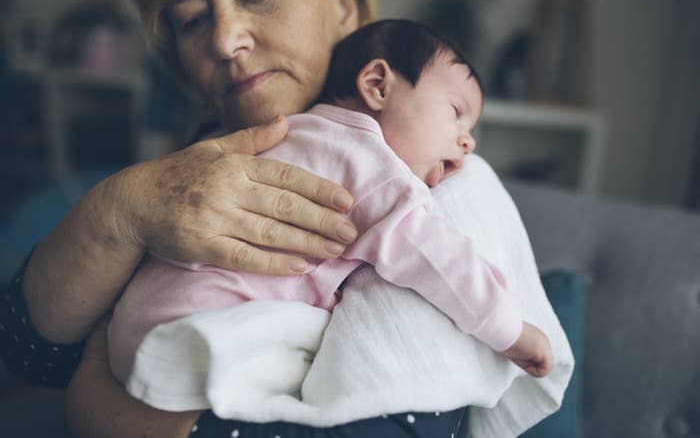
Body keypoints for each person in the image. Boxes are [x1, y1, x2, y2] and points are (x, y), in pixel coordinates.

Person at [0, 0, 565, 438]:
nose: (224, 41)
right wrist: (121, 212)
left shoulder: (441, 182)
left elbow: (394, 418)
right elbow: (30, 349)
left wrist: (105, 415)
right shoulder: (193, 159)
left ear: (344, 7)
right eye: (192, 18)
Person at [108, 20, 553, 404]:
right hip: (204, 330)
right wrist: (510, 330)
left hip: (133, 322)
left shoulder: (298, 131)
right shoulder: (376, 168)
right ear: (377, 86)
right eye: (456, 112)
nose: (467, 142)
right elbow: (439, 258)